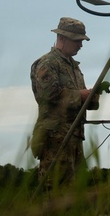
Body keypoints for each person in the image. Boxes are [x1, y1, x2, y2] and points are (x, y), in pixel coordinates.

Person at [30, 17, 100, 186]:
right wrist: (81, 95)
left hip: (74, 139)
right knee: (56, 189)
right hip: (55, 139)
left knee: (74, 192)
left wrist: (92, 96)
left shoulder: (74, 67)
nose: (80, 45)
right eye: (76, 41)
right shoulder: (48, 63)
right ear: (61, 38)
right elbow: (48, 95)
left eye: (81, 41)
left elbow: (79, 99)